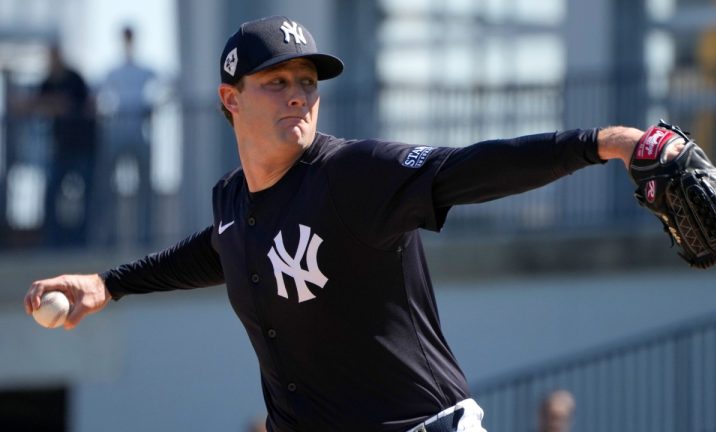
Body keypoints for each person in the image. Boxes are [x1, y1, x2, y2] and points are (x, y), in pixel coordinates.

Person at [23, 16, 682, 432]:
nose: (297, 95)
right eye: (275, 82)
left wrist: (604, 142)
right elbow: (220, 250)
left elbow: (469, 168)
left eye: (306, 80)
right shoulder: (233, 203)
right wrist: (109, 284)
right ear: (230, 100)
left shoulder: (354, 175)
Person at [20, 45, 96, 246]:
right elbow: (36, 104)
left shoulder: (75, 79)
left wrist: (62, 106)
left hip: (83, 147)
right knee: (51, 194)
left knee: (86, 197)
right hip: (60, 149)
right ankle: (52, 241)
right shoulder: (47, 83)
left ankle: (83, 241)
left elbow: (84, 105)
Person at [94, 26, 158, 246]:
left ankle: (144, 236)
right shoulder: (114, 71)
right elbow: (97, 93)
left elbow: (170, 85)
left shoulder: (143, 70)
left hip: (138, 132)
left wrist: (153, 106)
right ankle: (110, 236)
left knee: (144, 189)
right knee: (109, 187)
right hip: (118, 132)